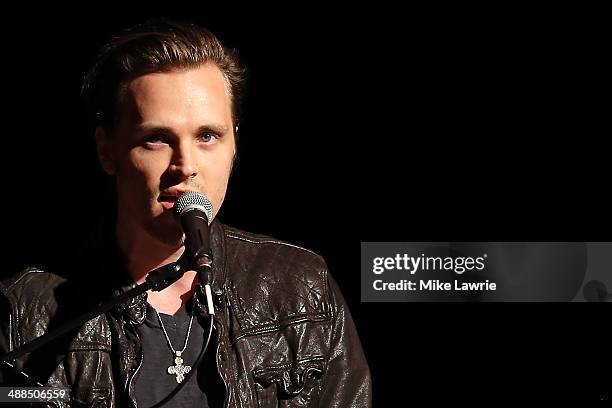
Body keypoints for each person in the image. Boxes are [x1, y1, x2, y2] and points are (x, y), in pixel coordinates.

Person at [0, 20, 370, 407]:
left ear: (234, 144)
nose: (186, 165)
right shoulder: (28, 311)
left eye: (207, 136)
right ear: (107, 150)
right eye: (156, 139)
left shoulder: (299, 289)